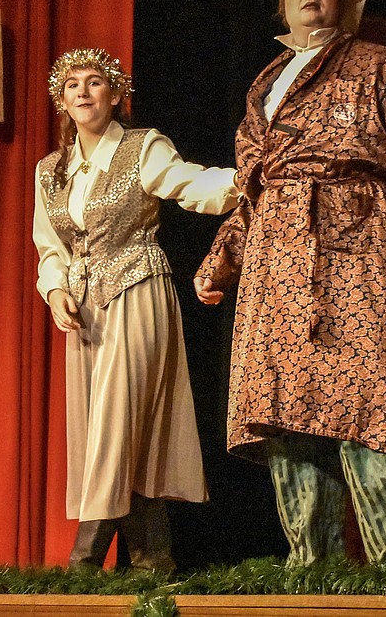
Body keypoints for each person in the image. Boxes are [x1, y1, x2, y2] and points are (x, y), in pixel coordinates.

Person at [194, 0, 386, 566]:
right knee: (284, 411)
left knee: (368, 401)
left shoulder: (379, 66)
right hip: (275, 261)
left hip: (353, 244)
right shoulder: (266, 82)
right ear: (282, 2)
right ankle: (309, 572)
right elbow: (252, 185)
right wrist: (222, 256)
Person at [33, 47, 239, 570]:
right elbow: (50, 246)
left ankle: (82, 563)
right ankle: (154, 564)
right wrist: (55, 290)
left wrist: (244, 181)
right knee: (128, 436)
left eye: (95, 81)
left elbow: (189, 183)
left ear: (116, 93)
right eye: (72, 84)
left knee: (115, 423)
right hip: (84, 309)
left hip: (137, 289)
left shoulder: (141, 147)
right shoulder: (51, 170)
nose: (83, 91)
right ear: (61, 99)